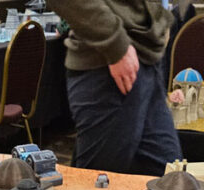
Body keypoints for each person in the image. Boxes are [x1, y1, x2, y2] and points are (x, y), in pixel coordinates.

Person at [50, 0, 182, 175]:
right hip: (108, 64)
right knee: (98, 183)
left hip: (145, 58)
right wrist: (115, 44)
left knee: (169, 178)